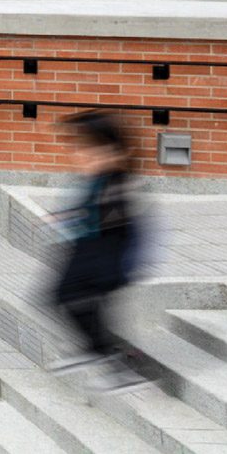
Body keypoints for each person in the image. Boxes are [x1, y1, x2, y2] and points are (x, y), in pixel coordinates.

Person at [48, 110, 147, 390]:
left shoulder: (119, 184)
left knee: (75, 302)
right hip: (86, 249)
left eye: (89, 151)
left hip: (104, 256)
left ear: (113, 151)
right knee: (59, 298)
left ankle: (116, 365)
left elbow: (117, 226)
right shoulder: (100, 181)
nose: (81, 157)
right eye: (79, 149)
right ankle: (93, 352)